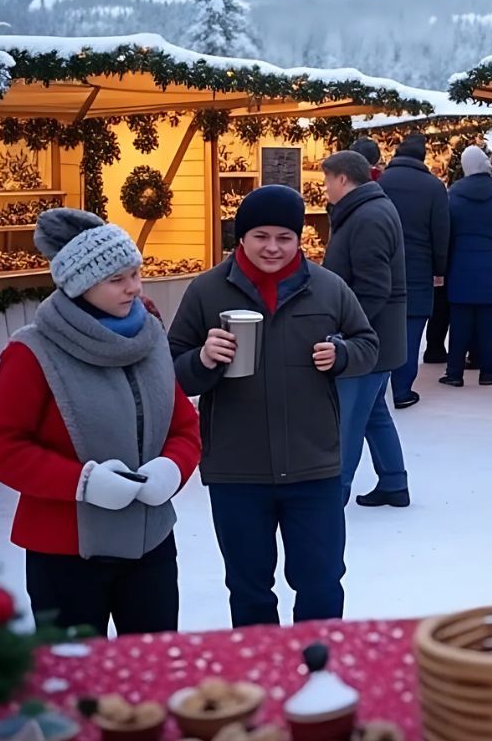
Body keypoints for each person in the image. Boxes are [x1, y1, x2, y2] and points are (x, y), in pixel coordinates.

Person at [0, 209, 201, 635]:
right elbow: (1, 447)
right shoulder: (32, 352)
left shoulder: (150, 337)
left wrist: (172, 467)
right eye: (117, 280)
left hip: (149, 544)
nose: (134, 287)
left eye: (136, 273)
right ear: (81, 285)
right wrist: (83, 482)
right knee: (77, 684)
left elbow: (183, 425)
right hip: (65, 554)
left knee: (151, 673)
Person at [168, 185, 379, 627]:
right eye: (260, 235)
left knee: (321, 581)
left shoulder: (328, 288)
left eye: (284, 237)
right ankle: (260, 680)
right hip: (237, 471)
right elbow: (170, 369)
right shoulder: (207, 291)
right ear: (240, 237)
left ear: (300, 238)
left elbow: (367, 344)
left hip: (313, 466)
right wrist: (203, 360)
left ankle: (318, 675)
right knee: (248, 588)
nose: (273, 247)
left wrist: (342, 355)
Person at [322, 150, 411, 508]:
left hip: (367, 342)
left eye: (327, 180)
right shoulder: (368, 210)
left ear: (343, 179)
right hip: (379, 338)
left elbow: (374, 288)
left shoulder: (368, 216)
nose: (325, 188)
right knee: (373, 413)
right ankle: (393, 482)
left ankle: (333, 493)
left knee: (347, 419)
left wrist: (346, 331)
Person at [379, 132, 449, 409]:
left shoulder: (381, 182)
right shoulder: (433, 187)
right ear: (423, 157)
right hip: (419, 267)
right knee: (411, 329)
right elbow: (441, 232)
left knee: (382, 327)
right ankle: (403, 389)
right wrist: (440, 269)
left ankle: (376, 389)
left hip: (383, 264)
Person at [440, 145, 492, 387]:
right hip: (491, 266)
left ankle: (454, 373)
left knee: (459, 323)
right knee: (488, 324)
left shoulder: (452, 196)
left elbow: (446, 236)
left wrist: (445, 268)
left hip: (460, 266)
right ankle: (488, 371)